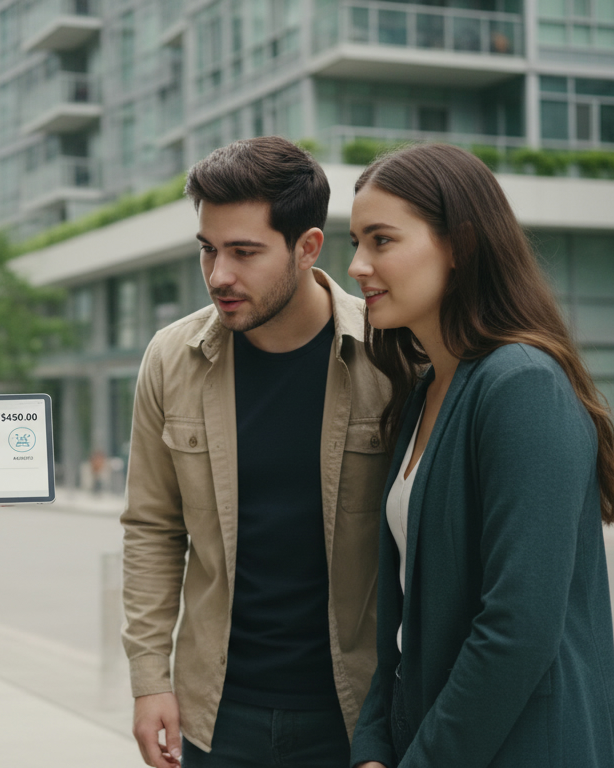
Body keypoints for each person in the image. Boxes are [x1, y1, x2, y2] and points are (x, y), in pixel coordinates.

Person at [345, 144, 614, 767]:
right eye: (355, 242)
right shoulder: (424, 393)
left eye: (381, 241)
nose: (358, 266)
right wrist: (371, 746)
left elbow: (517, 630)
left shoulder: (522, 384)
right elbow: (401, 620)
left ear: (461, 245)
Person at [121, 136, 390, 768]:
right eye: (209, 250)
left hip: (360, 710)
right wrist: (148, 678)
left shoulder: (389, 352)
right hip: (215, 714)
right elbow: (151, 528)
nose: (219, 275)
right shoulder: (171, 357)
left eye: (244, 252)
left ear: (308, 248)